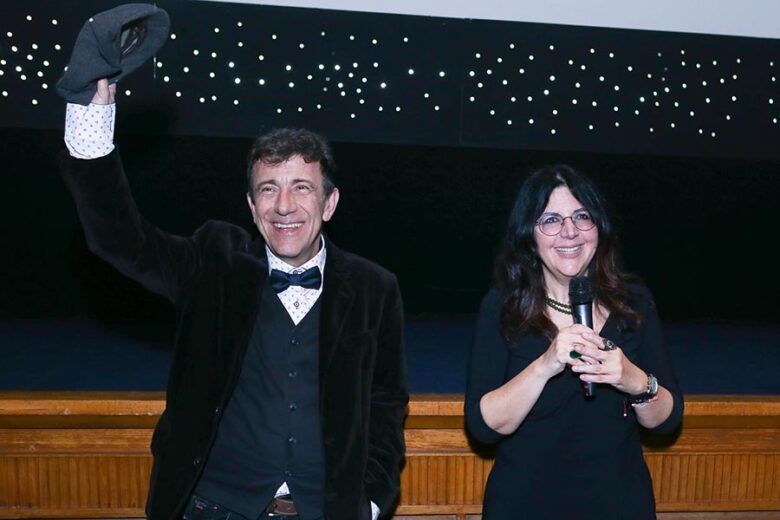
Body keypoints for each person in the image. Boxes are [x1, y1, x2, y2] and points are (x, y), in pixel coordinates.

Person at [59, 79, 408, 520]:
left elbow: (385, 404)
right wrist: (92, 126)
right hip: (213, 506)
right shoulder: (214, 263)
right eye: (268, 188)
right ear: (251, 204)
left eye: (302, 187)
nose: (284, 206)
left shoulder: (375, 288)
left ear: (329, 203)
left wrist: (371, 501)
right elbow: (121, 239)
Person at [464, 164, 683, 519]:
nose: (569, 232)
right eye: (551, 220)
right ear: (529, 235)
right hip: (525, 505)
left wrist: (633, 379)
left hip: (618, 504)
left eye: (582, 217)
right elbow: (484, 428)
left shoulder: (634, 303)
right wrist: (545, 364)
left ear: (599, 228)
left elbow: (666, 421)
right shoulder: (503, 306)